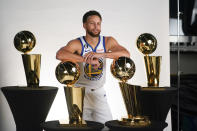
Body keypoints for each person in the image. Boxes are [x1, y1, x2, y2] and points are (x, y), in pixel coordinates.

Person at [56, 10, 130, 124]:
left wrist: (101, 54)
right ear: (84, 25)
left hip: (99, 93)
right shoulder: (77, 43)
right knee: (82, 127)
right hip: (80, 93)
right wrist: (86, 59)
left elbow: (126, 53)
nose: (96, 27)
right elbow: (60, 54)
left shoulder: (107, 41)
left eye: (98, 23)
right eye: (92, 23)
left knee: (107, 126)